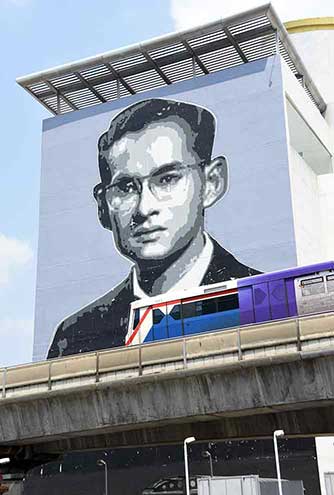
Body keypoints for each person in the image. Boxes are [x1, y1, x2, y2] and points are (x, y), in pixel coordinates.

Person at [47, 98, 259, 359]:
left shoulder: (266, 302)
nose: (144, 208)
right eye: (125, 187)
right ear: (103, 206)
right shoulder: (75, 335)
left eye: (167, 179)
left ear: (212, 183)